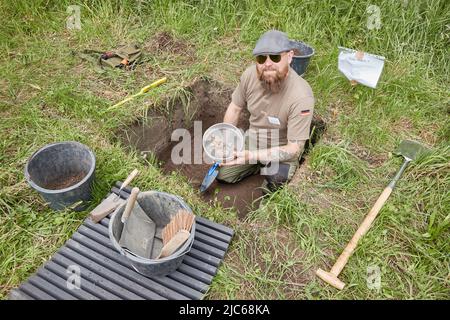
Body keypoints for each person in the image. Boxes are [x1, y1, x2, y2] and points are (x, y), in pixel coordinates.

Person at [217, 30, 315, 192]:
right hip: (254, 141)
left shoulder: (301, 96)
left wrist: (250, 156)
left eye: (275, 57)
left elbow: (293, 149)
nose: (267, 63)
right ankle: (257, 166)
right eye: (262, 58)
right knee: (223, 174)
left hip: (283, 151)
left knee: (275, 184)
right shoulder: (250, 76)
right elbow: (235, 108)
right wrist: (227, 139)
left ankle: (266, 171)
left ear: (290, 57)